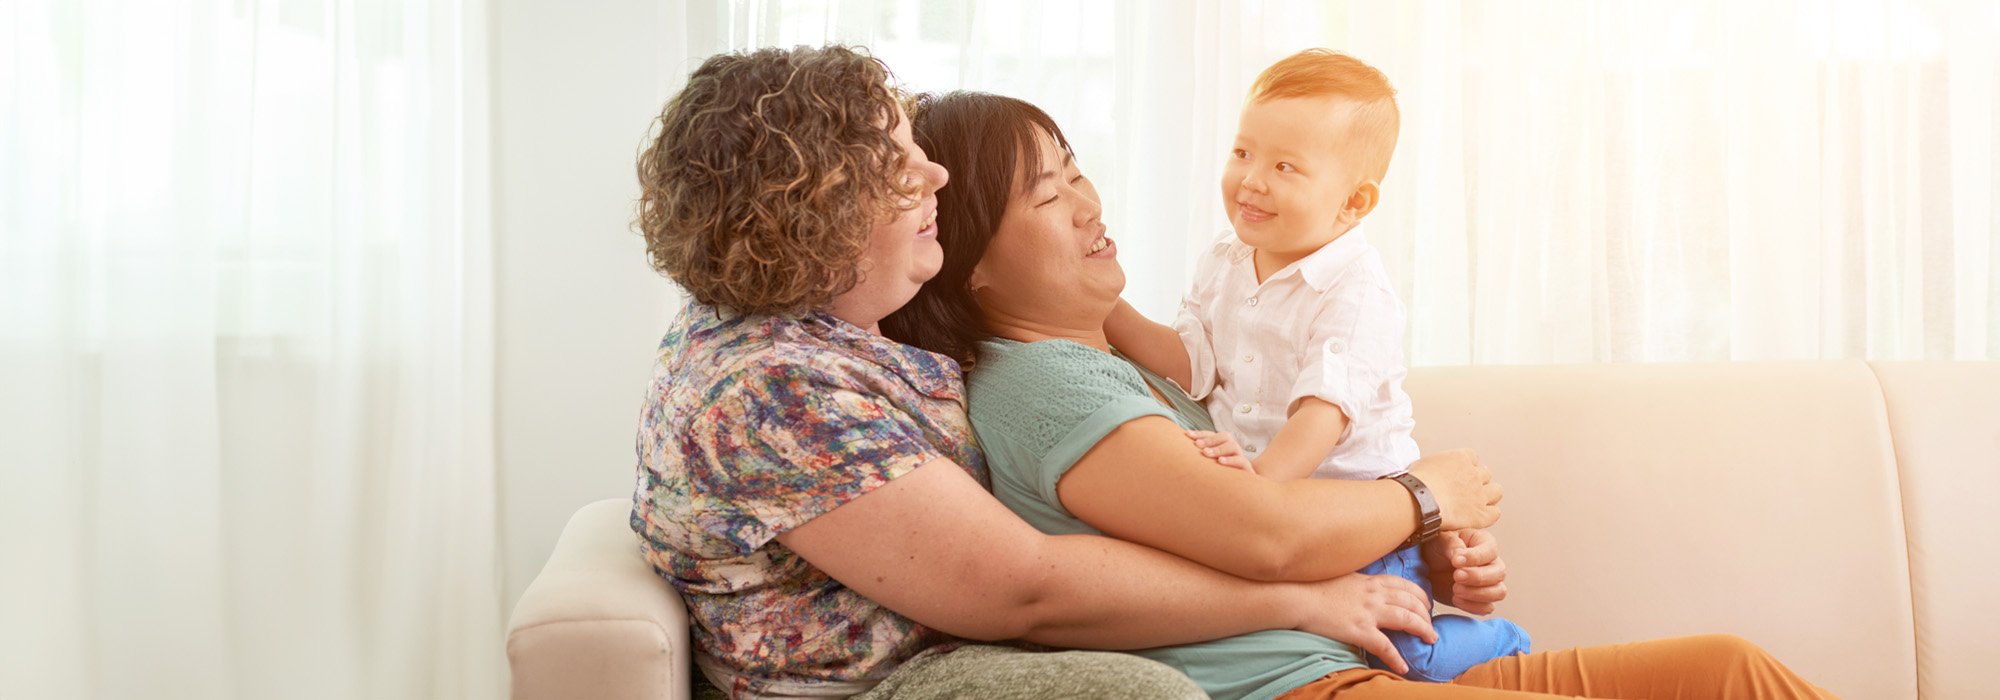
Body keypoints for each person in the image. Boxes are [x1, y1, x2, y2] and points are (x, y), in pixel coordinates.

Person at [880, 88, 1842, 700]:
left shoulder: (1121, 368)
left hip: (1346, 656)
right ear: (967, 264)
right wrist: (1430, 494)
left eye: (1078, 171)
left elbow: (1262, 505)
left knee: (1728, 668)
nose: (1091, 203)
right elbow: (1269, 532)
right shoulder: (1040, 383)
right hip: (1296, 686)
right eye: (1048, 196)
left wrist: (1418, 541)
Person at [630, 45, 1506, 700]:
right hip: (897, 682)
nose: (932, 172)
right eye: (898, 170)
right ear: (819, 213)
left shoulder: (844, 338)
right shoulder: (767, 386)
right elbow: (1027, 589)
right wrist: (1325, 579)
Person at [1099, 48, 1528, 682]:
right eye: (1243, 152)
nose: (1251, 179)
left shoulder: (1355, 289)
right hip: (1261, 513)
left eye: (1285, 166)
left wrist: (1259, 488)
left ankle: (1501, 643)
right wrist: (1109, 309)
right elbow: (1191, 367)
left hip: (1356, 522)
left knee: (1397, 650)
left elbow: (1321, 414)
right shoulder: (1225, 256)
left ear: (1353, 202)